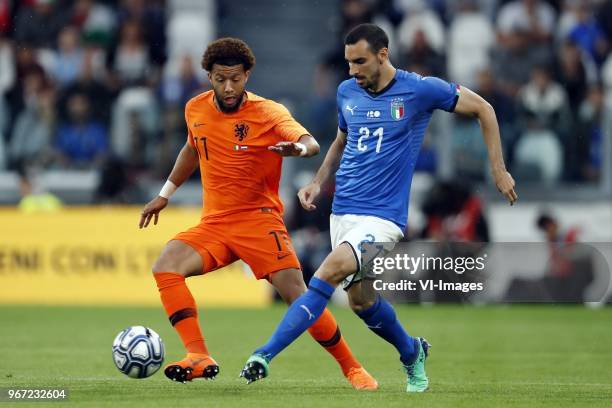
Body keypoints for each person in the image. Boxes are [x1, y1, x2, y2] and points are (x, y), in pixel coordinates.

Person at [241, 24, 517, 392]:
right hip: (343, 213)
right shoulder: (346, 92)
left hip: (383, 220)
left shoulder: (419, 89)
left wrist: (498, 169)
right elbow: (341, 140)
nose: (352, 70)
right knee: (361, 301)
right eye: (348, 63)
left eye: (360, 61)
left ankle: (264, 354)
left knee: (327, 272)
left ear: (383, 54)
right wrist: (317, 181)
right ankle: (412, 352)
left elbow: (484, 108)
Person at [139, 37, 377, 390]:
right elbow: (192, 147)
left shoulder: (269, 112)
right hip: (216, 224)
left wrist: (295, 148)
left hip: (259, 221)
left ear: (248, 75)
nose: (229, 86)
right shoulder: (195, 109)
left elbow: (311, 144)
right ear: (209, 77)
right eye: (221, 79)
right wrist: (165, 194)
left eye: (236, 78)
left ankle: (353, 368)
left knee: (299, 297)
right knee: (166, 266)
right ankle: (198, 356)